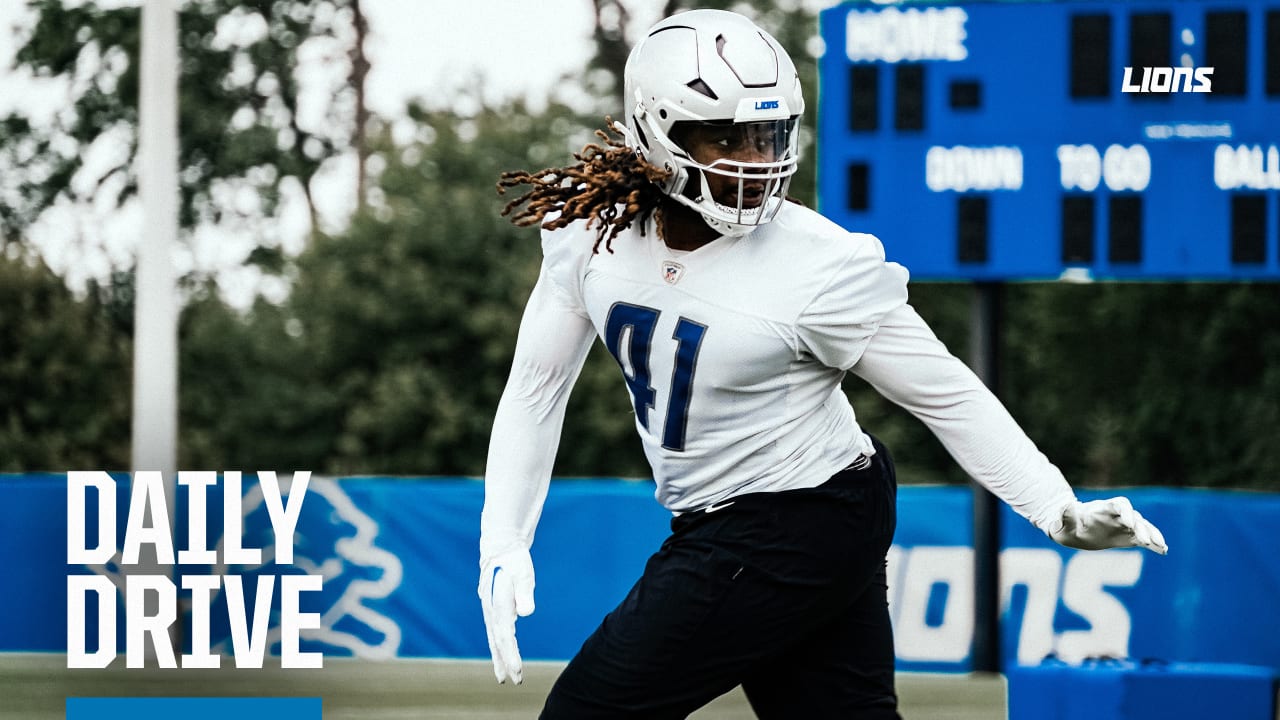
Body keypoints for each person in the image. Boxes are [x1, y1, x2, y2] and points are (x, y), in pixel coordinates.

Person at [478, 8, 1168, 719]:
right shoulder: (591, 230)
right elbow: (537, 388)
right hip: (771, 515)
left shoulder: (818, 265)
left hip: (797, 513)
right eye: (725, 135)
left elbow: (945, 392)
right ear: (657, 130)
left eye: (766, 135)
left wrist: (1055, 508)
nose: (752, 158)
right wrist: (503, 538)